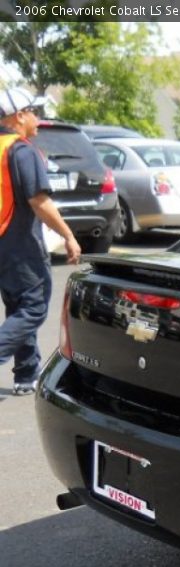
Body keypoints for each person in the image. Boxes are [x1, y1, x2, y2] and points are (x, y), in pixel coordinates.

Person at [0, 87, 81, 396]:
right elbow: (39, 201)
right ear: (19, 116)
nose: (39, 118)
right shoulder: (20, 151)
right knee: (33, 308)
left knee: (18, 307)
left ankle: (25, 375)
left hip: (4, 242)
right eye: (34, 111)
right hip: (20, 244)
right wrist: (68, 235)